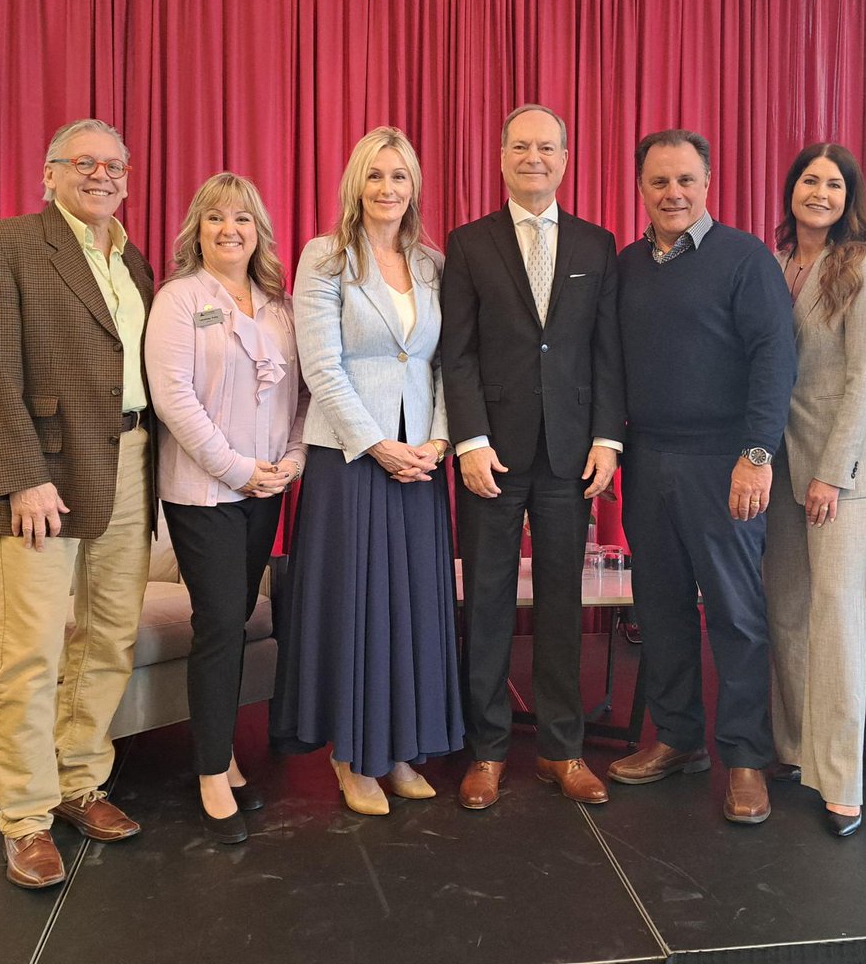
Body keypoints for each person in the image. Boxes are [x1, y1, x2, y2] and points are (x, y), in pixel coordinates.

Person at [0, 118, 153, 888]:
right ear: (49, 173)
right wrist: (21, 475)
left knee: (110, 636)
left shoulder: (132, 258)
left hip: (130, 462)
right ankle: (26, 816)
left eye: (113, 165)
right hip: (43, 477)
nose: (100, 175)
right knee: (29, 650)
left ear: (127, 179)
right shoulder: (2, 245)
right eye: (83, 163)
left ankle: (79, 780)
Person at [269, 127, 464, 815]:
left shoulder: (434, 263)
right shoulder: (325, 258)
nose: (388, 188)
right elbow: (321, 366)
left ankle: (403, 748)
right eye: (376, 175)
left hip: (420, 461)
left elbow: (445, 363)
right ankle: (353, 757)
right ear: (356, 183)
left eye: (400, 176)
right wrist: (379, 444)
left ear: (415, 187)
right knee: (357, 605)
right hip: (351, 457)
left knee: (410, 605)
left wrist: (437, 443)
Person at [440, 104, 625, 810]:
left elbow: (605, 351)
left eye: (547, 147)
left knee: (560, 605)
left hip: (570, 456)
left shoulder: (596, 244)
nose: (534, 158)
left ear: (566, 157)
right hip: (493, 455)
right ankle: (486, 752)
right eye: (521, 146)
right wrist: (471, 441)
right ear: (500, 156)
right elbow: (456, 354)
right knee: (486, 602)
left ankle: (561, 750)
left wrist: (608, 439)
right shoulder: (469, 243)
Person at [610, 130, 796, 825]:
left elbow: (775, 359)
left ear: (708, 182)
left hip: (725, 463)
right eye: (659, 182)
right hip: (648, 457)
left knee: (735, 614)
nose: (673, 194)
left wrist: (757, 453)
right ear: (641, 188)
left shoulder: (743, 259)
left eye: (685, 180)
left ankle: (745, 759)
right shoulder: (627, 266)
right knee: (657, 611)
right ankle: (679, 739)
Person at [145, 173, 306, 844]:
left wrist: (292, 460)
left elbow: (304, 395)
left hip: (265, 489)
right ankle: (211, 770)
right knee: (217, 622)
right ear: (198, 230)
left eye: (242, 218)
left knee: (236, 619)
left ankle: (224, 752)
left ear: (258, 231)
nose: (230, 229)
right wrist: (237, 469)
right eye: (216, 218)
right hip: (205, 492)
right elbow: (173, 399)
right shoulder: (179, 299)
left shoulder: (281, 306)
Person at [761, 143, 866, 838]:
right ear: (791, 191)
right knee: (784, 610)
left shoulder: (864, 268)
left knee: (835, 614)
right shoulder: (778, 263)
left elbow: (864, 381)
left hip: (841, 472)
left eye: (834, 183)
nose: (819, 192)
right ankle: (793, 749)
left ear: (850, 198)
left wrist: (829, 474)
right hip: (776, 464)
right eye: (809, 180)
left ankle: (841, 779)